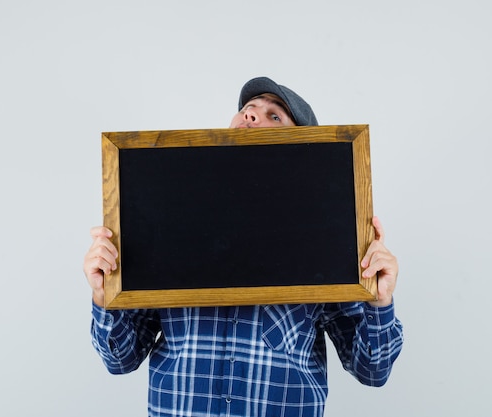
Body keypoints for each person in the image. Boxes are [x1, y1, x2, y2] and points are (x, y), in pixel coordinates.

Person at [83, 76, 403, 417]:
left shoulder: (326, 241)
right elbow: (120, 360)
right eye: (247, 110)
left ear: (305, 151)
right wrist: (104, 296)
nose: (251, 116)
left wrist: (380, 300)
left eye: (274, 116)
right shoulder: (170, 221)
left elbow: (372, 370)